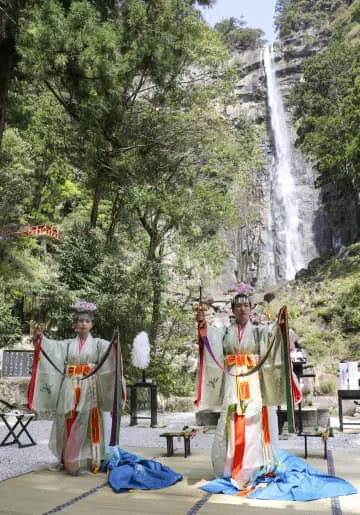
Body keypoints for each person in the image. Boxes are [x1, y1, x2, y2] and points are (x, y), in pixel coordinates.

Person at [194, 284, 300, 491]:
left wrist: (280, 324)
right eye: (238, 306)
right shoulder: (225, 332)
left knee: (253, 418)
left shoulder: (260, 331)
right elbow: (211, 339)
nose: (242, 309)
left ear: (251, 309)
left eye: (246, 305)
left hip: (253, 380)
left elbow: (273, 336)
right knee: (231, 416)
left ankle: (255, 466)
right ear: (233, 310)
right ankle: (231, 464)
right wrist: (203, 324)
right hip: (233, 379)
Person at [28, 301, 122, 475]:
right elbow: (53, 348)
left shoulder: (99, 344)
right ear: (75, 324)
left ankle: (90, 459)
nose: (83, 324)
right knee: (69, 418)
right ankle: (69, 459)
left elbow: (110, 353)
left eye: (87, 321)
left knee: (89, 420)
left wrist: (114, 343)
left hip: (89, 386)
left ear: (92, 325)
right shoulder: (68, 344)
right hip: (70, 385)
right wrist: (42, 338)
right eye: (80, 321)